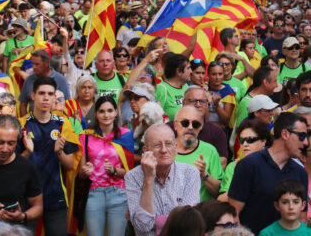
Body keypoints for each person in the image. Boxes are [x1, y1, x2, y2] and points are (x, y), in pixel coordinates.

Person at [228, 111, 309, 234]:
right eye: (302, 136)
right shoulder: (249, 165)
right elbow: (234, 213)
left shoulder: (300, 172)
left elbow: (301, 219)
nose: (306, 143)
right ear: (285, 134)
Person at [19, 76, 79, 236]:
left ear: (54, 97)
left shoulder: (62, 123)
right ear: (33, 95)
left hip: (55, 195)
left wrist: (59, 151)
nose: (46, 98)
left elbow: (70, 165)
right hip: (27, 196)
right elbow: (14, 165)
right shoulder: (21, 124)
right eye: (41, 93)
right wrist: (27, 152)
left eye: (50, 94)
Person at [125, 123, 201, 236]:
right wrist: (149, 179)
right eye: (157, 145)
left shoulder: (190, 173)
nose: (164, 150)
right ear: (146, 150)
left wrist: (156, 222)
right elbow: (143, 225)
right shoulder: (133, 177)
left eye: (169, 144)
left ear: (176, 148)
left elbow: (187, 221)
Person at [77, 95, 134, 236]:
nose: (106, 115)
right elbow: (80, 174)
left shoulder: (126, 135)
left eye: (110, 110)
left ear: (116, 112)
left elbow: (130, 174)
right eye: (101, 111)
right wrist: (86, 171)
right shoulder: (85, 136)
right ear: (96, 113)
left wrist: (115, 170)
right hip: (93, 194)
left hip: (119, 194)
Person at [0, 115, 42, 227]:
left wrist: (22, 216)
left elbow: (38, 206)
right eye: (0, 142)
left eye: (11, 143)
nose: (5, 149)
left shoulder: (27, 168)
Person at [173, 106, 223, 202]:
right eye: (185, 123)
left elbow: (219, 192)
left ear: (201, 127)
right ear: (175, 125)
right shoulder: (165, 150)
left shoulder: (210, 151)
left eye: (195, 124)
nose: (190, 127)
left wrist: (204, 175)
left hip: (201, 213)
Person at [219, 119, 272, 201]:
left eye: (250, 139)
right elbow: (221, 200)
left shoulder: (273, 164)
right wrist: (239, 176)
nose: (245, 144)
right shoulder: (233, 166)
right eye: (242, 140)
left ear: (264, 141)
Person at [181, 86, 229, 167]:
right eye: (193, 101)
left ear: (207, 104)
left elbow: (222, 163)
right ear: (184, 103)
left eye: (202, 101)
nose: (198, 105)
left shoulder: (217, 132)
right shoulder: (170, 129)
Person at [18, 49, 69, 116]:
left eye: (37, 64)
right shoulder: (29, 80)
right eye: (32, 64)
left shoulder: (60, 79)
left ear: (47, 63)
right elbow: (23, 104)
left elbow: (68, 103)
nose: (33, 67)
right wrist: (24, 122)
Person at [155, 53, 191, 120]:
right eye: (188, 68)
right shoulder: (161, 88)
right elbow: (155, 117)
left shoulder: (186, 87)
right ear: (179, 71)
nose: (191, 71)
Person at [206, 61, 236, 129]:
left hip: (220, 131)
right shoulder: (204, 89)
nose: (217, 77)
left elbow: (226, 121)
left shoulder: (228, 91)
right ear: (208, 75)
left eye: (220, 74)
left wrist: (216, 105)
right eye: (214, 74)